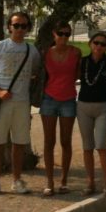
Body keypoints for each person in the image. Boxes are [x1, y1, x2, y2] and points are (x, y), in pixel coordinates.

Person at [0, 11, 42, 197]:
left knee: (19, 142)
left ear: (28, 28)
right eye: (16, 25)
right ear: (9, 27)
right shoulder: (0, 46)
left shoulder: (32, 51)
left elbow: (35, 72)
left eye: (23, 26)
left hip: (22, 102)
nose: (20, 29)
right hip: (2, 102)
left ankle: (16, 180)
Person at [39, 21, 81, 197]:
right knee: (49, 142)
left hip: (69, 100)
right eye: (61, 33)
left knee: (66, 141)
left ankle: (63, 181)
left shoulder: (76, 52)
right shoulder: (45, 53)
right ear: (54, 35)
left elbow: (79, 74)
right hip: (49, 99)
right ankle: (49, 182)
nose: (64, 37)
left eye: (67, 34)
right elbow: (41, 74)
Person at [76, 31, 106, 197]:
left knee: (100, 144)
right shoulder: (82, 62)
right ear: (90, 44)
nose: (99, 46)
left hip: (103, 106)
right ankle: (90, 181)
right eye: (96, 43)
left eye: (103, 44)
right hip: (83, 106)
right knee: (87, 146)